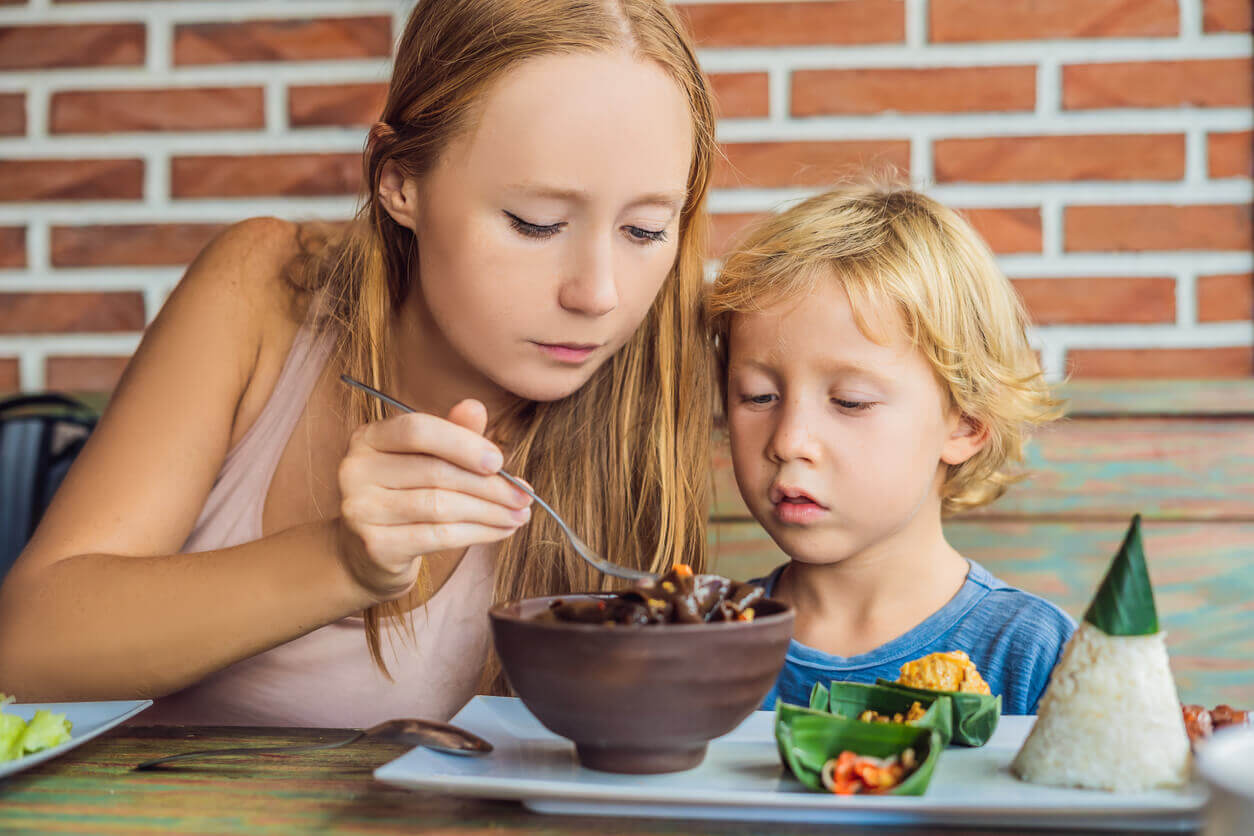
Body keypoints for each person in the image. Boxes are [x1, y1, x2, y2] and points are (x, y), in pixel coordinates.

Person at [0, 0, 716, 726]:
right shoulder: (263, 290)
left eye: (645, 230)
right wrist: (342, 563)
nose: (598, 294)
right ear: (399, 181)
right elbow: (25, 655)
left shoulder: (649, 390)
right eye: (536, 223)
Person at [706, 182, 1075, 714]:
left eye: (850, 402)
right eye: (759, 396)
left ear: (966, 423)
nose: (788, 441)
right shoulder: (703, 638)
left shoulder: (1034, 657)